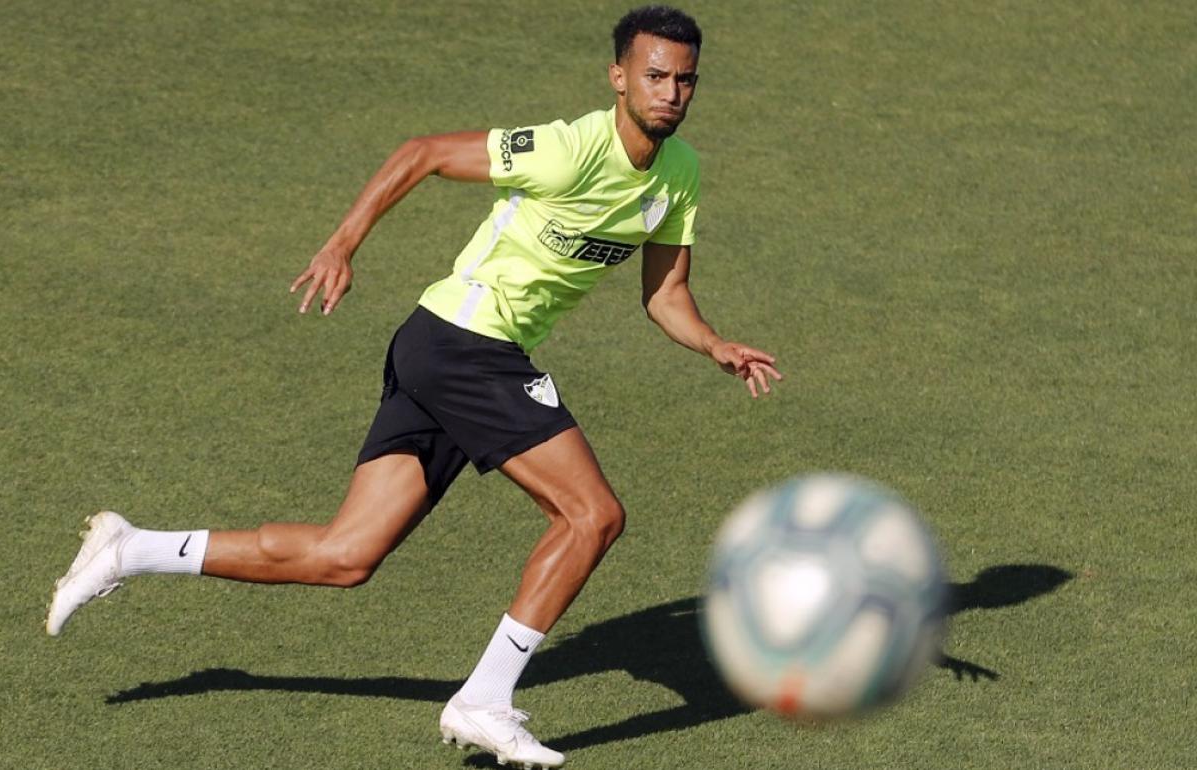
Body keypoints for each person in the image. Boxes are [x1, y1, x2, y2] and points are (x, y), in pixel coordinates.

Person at [45, 6, 781, 768]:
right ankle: (484, 700)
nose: (670, 92)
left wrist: (714, 343)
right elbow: (424, 151)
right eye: (655, 76)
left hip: (444, 350)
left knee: (346, 554)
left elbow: (664, 294)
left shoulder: (680, 173)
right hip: (465, 343)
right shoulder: (568, 150)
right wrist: (340, 245)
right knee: (591, 516)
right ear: (619, 77)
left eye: (684, 79)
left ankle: (131, 550)